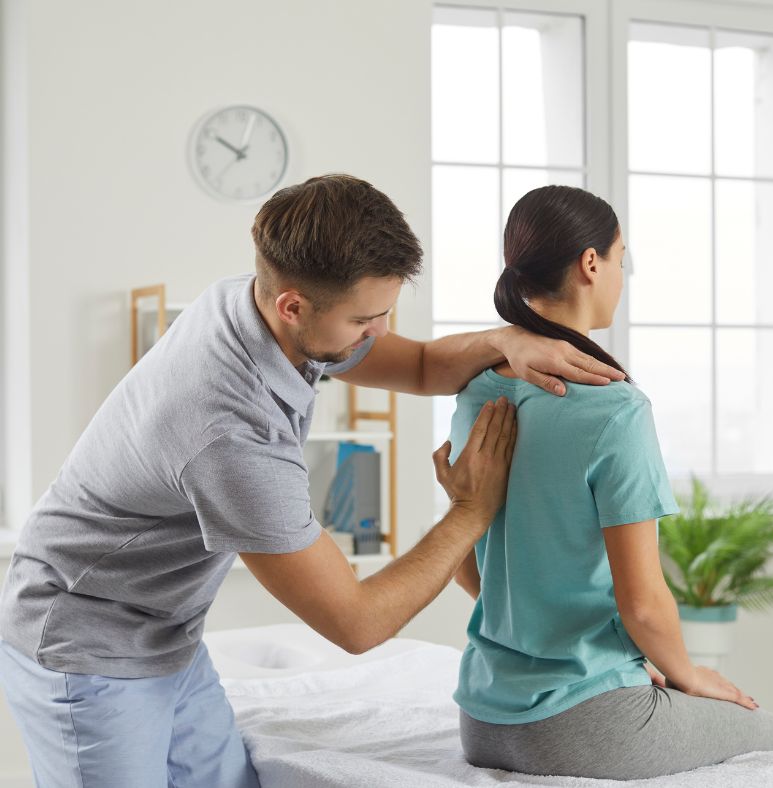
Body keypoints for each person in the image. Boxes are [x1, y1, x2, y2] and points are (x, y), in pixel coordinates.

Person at [0, 174, 628, 788]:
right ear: (293, 306)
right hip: (85, 643)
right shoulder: (229, 435)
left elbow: (417, 364)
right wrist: (470, 510)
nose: (377, 332)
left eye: (384, 311)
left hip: (166, 632)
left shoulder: (250, 303)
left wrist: (507, 341)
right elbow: (356, 625)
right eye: (364, 320)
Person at [448, 185, 773, 781]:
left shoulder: (476, 391)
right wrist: (689, 674)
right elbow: (641, 601)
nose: (620, 274)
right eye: (620, 258)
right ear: (591, 263)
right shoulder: (614, 408)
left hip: (482, 721)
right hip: (583, 726)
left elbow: (471, 571)